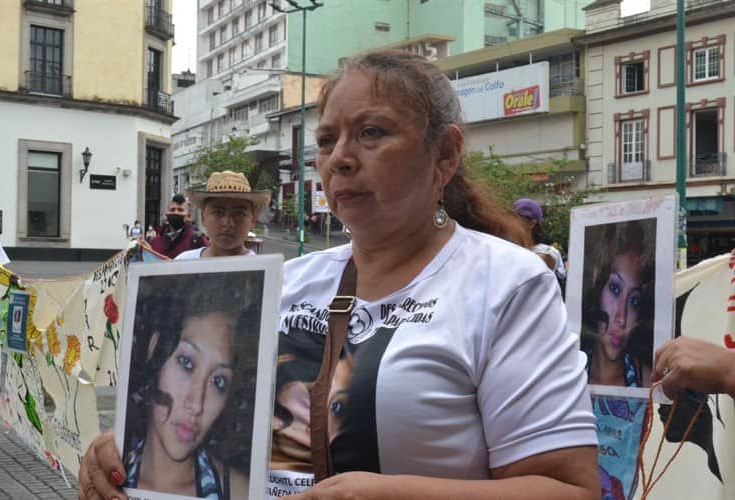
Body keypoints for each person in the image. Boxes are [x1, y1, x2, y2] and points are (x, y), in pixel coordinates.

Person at [78, 49, 599, 500]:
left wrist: (389, 494)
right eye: (327, 141)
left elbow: (570, 488)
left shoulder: (507, 283)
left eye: (371, 133)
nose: (340, 160)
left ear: (444, 154)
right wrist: (126, 452)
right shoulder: (284, 284)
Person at [121, 274, 257, 498]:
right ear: (154, 348)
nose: (196, 404)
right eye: (186, 363)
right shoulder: (112, 475)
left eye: (218, 381)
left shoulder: (240, 492)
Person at [581, 219, 655, 388]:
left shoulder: (649, 382)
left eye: (634, 301)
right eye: (615, 289)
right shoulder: (568, 375)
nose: (621, 318)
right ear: (598, 285)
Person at [175, 171, 270, 260]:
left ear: (252, 220)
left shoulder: (267, 272)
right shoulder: (183, 263)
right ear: (203, 217)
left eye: (239, 214)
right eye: (218, 212)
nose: (228, 223)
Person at [513, 198, 566, 281]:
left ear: (531, 223)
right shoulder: (513, 249)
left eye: (517, 218)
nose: (511, 223)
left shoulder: (547, 253)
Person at [150, 194, 209, 259]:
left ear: (188, 217)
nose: (176, 212)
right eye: (172, 210)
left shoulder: (198, 241)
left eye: (180, 210)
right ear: (166, 213)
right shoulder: (155, 241)